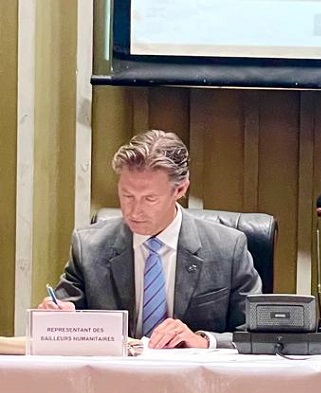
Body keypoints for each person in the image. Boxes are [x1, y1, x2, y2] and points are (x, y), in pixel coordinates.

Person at [39, 130, 261, 348]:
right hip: (114, 371)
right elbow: (60, 321)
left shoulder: (227, 249)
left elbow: (255, 335)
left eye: (149, 199)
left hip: (193, 371)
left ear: (180, 189)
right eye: (127, 196)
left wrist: (204, 341)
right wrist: (57, 320)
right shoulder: (89, 248)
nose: (134, 211)